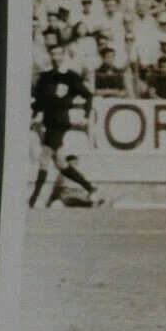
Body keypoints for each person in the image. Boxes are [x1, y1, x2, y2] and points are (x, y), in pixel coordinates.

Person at [28, 42, 100, 208]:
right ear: (50, 56)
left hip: (60, 122)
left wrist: (87, 114)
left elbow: (88, 95)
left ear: (63, 56)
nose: (56, 57)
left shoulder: (70, 76)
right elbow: (39, 101)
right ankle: (91, 188)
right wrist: (33, 117)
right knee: (61, 163)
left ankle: (33, 200)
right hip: (48, 121)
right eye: (53, 54)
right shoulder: (45, 77)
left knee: (44, 158)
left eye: (59, 54)